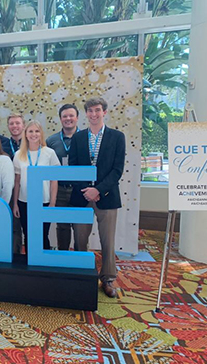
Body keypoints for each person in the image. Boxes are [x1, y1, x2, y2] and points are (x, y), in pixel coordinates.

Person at [69, 97, 126, 298]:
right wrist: (86, 189)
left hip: (107, 196)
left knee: (107, 240)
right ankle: (83, 276)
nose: (94, 114)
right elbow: (73, 167)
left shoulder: (117, 137)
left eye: (97, 110)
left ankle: (108, 279)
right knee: (80, 240)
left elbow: (117, 170)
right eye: (90, 111)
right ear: (86, 114)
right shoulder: (78, 137)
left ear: (104, 112)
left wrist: (98, 190)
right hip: (82, 196)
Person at [13, 121, 59, 252]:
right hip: (24, 201)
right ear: (25, 134)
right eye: (30, 131)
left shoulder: (49, 153)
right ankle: (30, 266)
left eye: (37, 131)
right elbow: (17, 181)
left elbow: (53, 180)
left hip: (44, 201)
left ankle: (44, 268)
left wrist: (52, 203)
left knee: (43, 234)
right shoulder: (18, 155)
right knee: (28, 234)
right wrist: (15, 203)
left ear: (41, 134)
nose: (34, 134)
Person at [46, 104, 80, 250]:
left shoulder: (85, 138)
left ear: (77, 118)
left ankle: (80, 260)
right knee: (62, 226)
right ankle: (63, 257)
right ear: (60, 119)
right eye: (65, 116)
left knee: (80, 227)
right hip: (59, 189)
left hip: (79, 189)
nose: (68, 119)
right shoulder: (51, 141)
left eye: (71, 115)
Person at [6, 113, 25, 254]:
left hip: (28, 188)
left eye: (17, 123)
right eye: (11, 123)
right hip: (11, 189)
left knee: (31, 226)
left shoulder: (31, 143)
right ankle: (16, 256)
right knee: (14, 225)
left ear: (23, 125)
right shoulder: (3, 145)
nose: (15, 126)